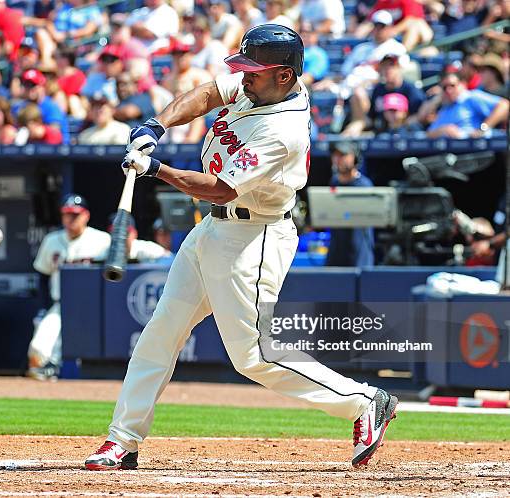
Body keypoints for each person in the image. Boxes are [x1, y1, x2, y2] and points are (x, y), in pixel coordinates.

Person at [84, 24, 397, 471]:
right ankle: (123, 440)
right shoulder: (261, 87)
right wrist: (156, 126)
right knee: (161, 331)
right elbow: (208, 94)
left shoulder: (283, 129)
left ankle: (365, 401)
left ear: (284, 75)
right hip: (213, 232)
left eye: (255, 71)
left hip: (255, 238)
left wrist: (156, 168)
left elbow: (219, 189)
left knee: (254, 355)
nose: (244, 78)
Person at [27, 194, 110, 380]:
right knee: (38, 350)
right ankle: (47, 388)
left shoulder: (102, 240)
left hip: (92, 307)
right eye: (67, 214)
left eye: (75, 214)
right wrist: (42, 307)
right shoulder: (52, 240)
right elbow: (43, 275)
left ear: (86, 215)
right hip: (61, 304)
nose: (70, 219)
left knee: (89, 355)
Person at [344, 54, 424, 136]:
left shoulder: (410, 90)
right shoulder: (378, 89)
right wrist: (357, 125)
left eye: (391, 66)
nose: (387, 70)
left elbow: (420, 114)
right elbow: (371, 116)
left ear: (399, 68)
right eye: (384, 67)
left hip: (405, 132)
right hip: (380, 131)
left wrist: (401, 124)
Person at [325, 142, 375, 267]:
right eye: (335, 155)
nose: (338, 159)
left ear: (355, 158)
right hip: (336, 251)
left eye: (343, 155)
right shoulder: (334, 182)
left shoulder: (364, 185)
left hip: (358, 251)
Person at [427, 71, 509, 138]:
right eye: (445, 88)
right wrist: (443, 130)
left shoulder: (471, 97)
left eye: (452, 85)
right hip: (449, 151)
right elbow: (428, 134)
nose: (449, 90)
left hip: (476, 149)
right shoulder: (445, 108)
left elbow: (504, 105)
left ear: (462, 84)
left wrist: (483, 128)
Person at [15, 68, 69, 143]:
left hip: (55, 150)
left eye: (33, 85)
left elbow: (55, 133)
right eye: (26, 85)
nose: (29, 88)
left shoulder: (50, 107)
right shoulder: (20, 107)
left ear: (42, 86)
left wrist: (39, 130)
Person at [356, 0, 433, 51]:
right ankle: (353, 46)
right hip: (394, 32)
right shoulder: (383, 2)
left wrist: (394, 30)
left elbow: (411, 20)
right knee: (366, 26)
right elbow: (370, 20)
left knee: (414, 25)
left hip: (420, 36)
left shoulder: (408, 1)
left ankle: (404, 52)